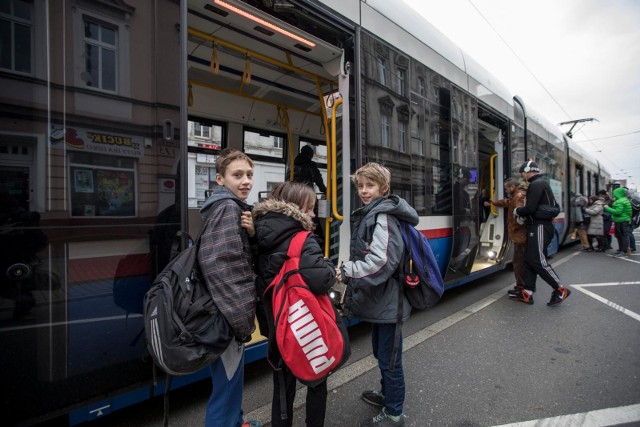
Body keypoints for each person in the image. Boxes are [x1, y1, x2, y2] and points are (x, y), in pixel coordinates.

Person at [338, 162, 418, 427]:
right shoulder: (374, 212)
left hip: (389, 302)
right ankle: (387, 395)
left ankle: (395, 414)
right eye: (360, 186)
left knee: (390, 360)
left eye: (369, 185)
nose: (363, 190)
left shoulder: (382, 216)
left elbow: (381, 263)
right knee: (383, 354)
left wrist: (347, 271)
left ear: (384, 188)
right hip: (382, 301)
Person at [252, 181, 337, 427]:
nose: (312, 214)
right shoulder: (303, 238)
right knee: (317, 379)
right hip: (303, 322)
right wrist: (329, 266)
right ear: (298, 208)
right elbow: (321, 280)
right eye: (310, 209)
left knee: (282, 384)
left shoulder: (257, 234)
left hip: (275, 323)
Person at [197, 148, 260, 427]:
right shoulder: (228, 209)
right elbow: (222, 267)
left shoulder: (229, 208)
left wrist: (252, 234)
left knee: (231, 381)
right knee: (226, 386)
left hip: (224, 312)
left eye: (249, 175)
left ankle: (236, 421)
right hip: (228, 315)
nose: (245, 181)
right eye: (237, 175)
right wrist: (239, 322)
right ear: (220, 179)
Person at [512, 160, 571, 306]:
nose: (523, 176)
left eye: (523, 173)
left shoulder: (536, 184)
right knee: (529, 260)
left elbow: (530, 208)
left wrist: (517, 211)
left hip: (539, 227)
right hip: (539, 226)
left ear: (527, 170)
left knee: (537, 260)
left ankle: (559, 288)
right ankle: (528, 292)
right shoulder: (541, 183)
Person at [486, 178, 528, 294]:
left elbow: (521, 216)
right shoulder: (517, 196)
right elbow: (507, 202)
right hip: (519, 234)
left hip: (520, 235)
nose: (506, 190)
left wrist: (514, 228)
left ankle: (522, 288)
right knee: (519, 261)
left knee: (519, 262)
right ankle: (522, 286)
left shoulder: (518, 196)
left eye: (506, 188)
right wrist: (494, 202)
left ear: (512, 187)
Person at [293, 145, 327, 243]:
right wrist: (325, 191)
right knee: (313, 217)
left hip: (295, 195)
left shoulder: (293, 164)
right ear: (310, 155)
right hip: (308, 193)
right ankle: (319, 240)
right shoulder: (311, 164)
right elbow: (318, 180)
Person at [604, 187, 633, 258]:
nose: (614, 196)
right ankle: (621, 250)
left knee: (622, 236)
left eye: (615, 194)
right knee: (621, 236)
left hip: (621, 221)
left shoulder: (620, 201)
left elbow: (618, 212)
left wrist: (607, 208)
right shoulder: (624, 200)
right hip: (623, 220)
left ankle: (623, 250)